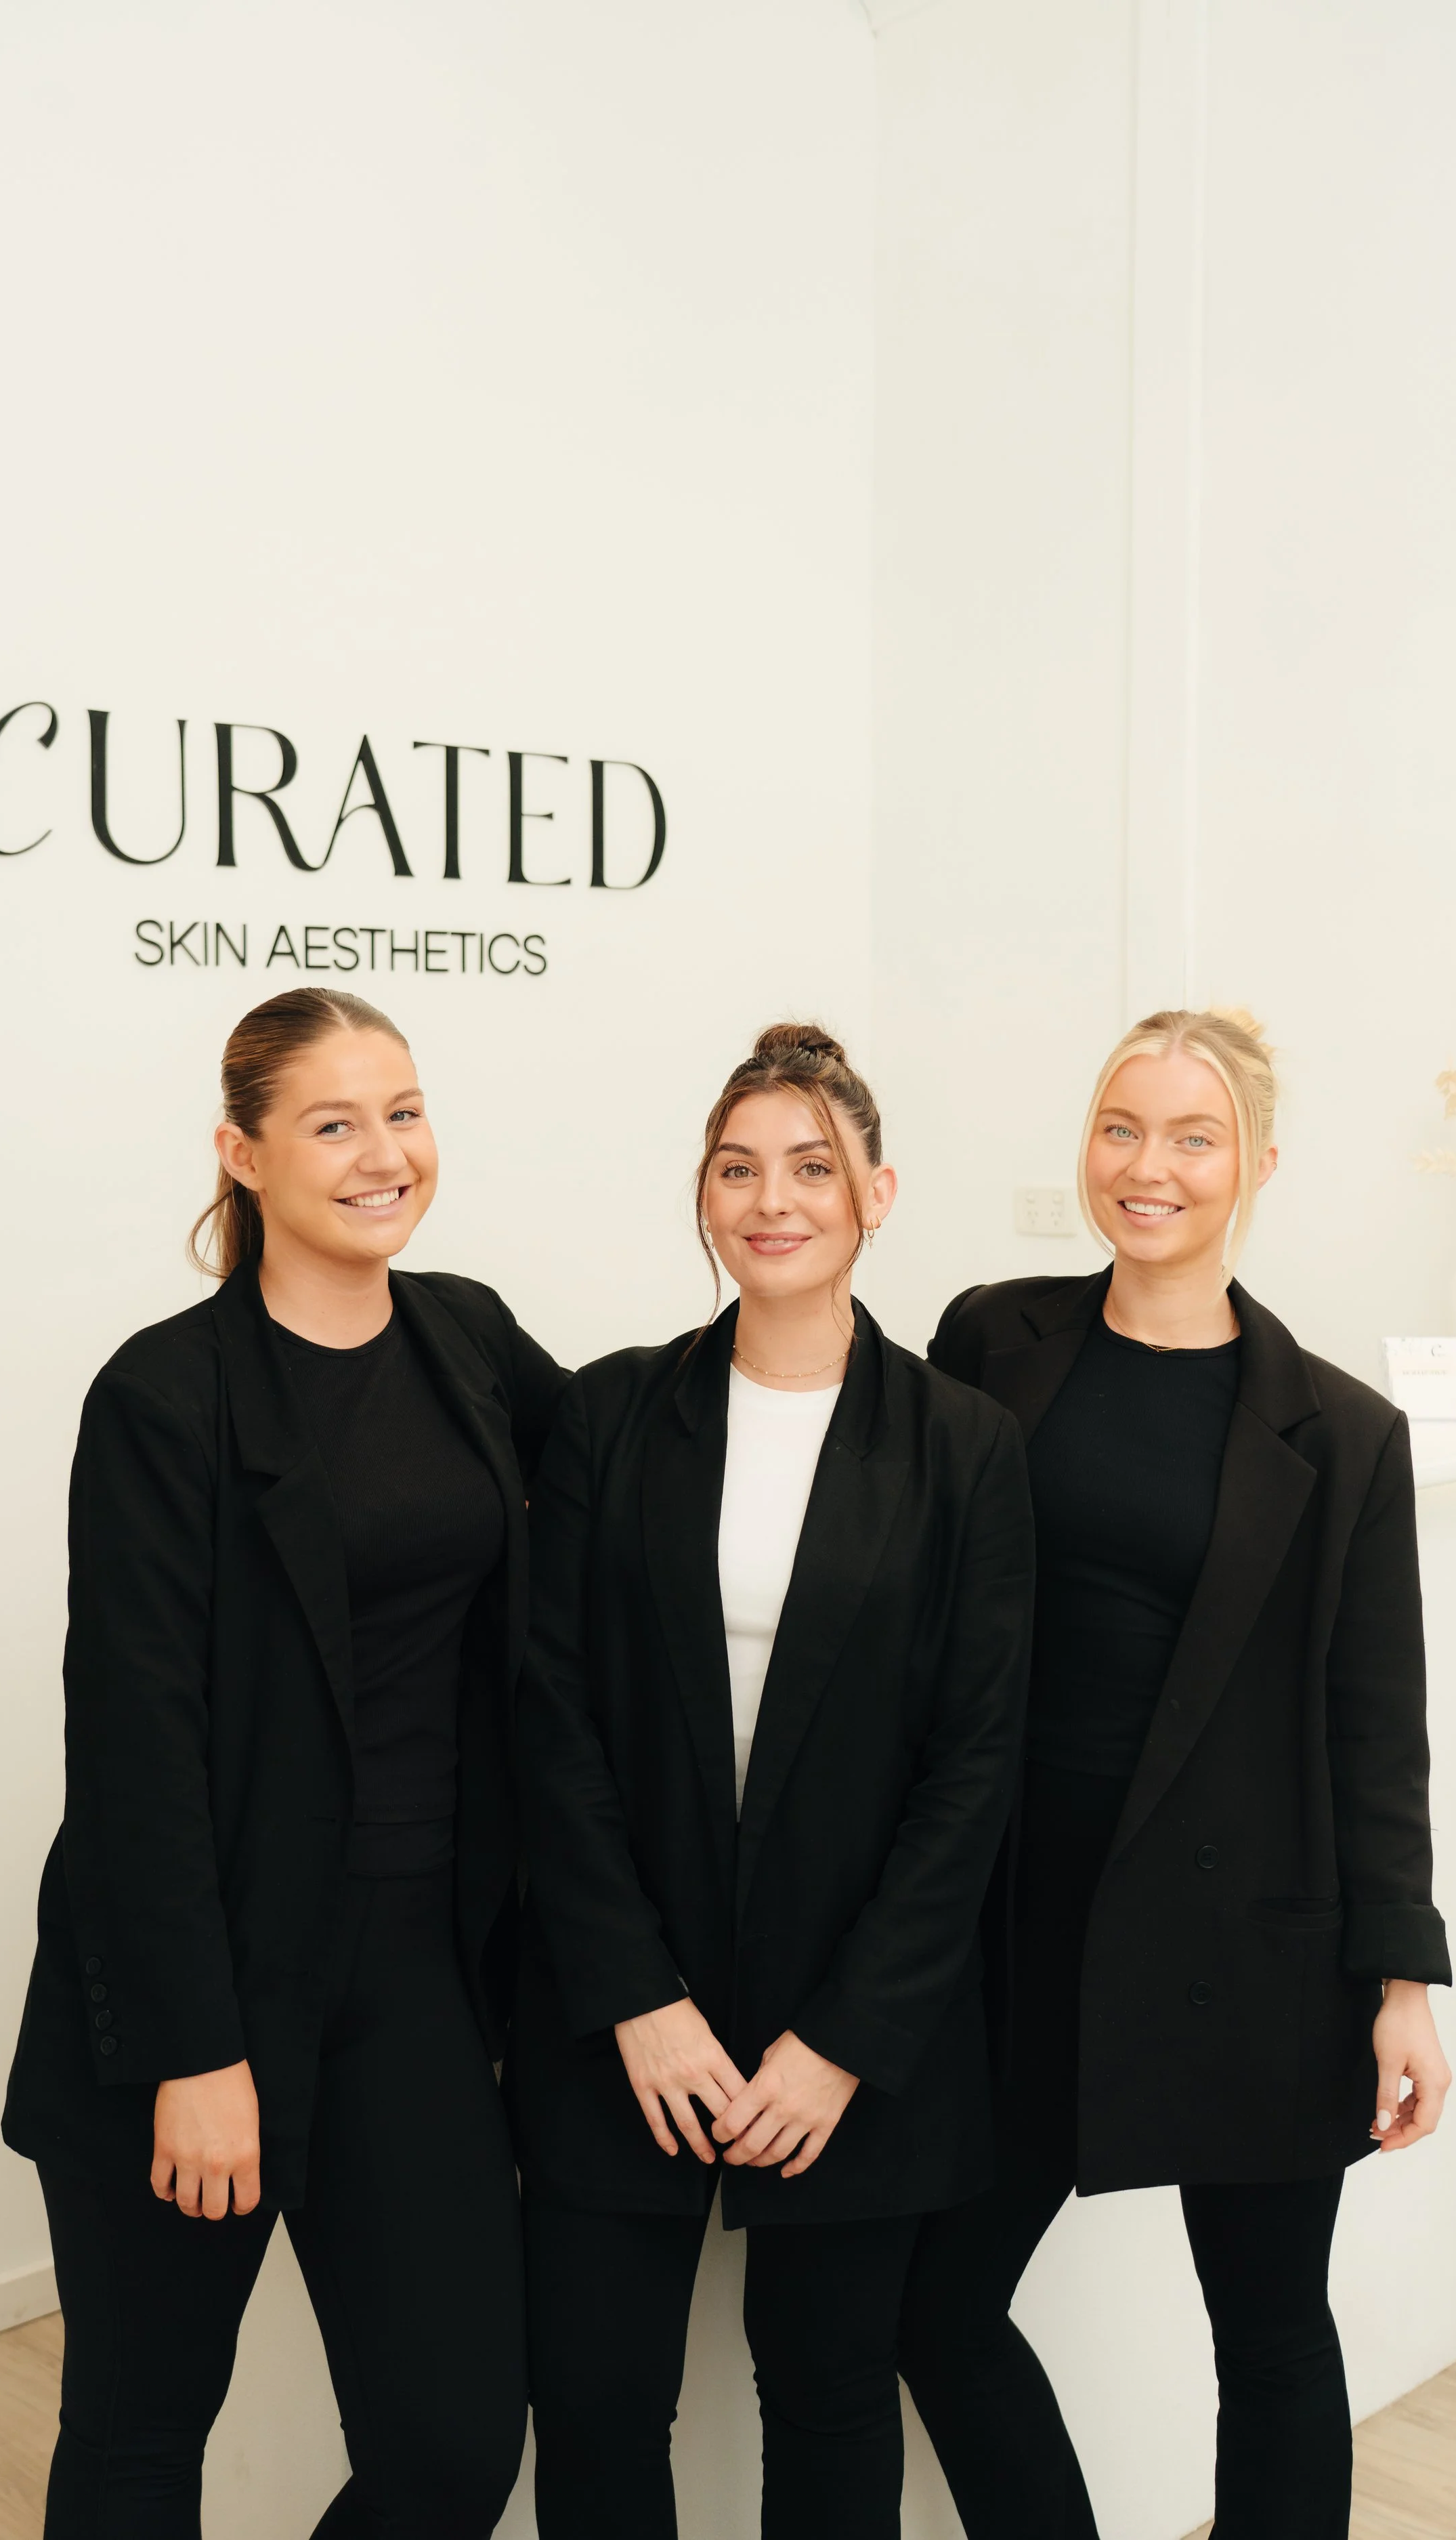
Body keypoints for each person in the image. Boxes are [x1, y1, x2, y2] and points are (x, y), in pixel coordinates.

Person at [1, 987, 566, 2539]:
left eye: (403, 1110)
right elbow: (131, 1746)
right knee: (138, 2435)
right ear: (240, 1156)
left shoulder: (466, 1334)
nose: (383, 1153)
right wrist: (196, 2053)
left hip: (412, 1980)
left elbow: (642, 1462)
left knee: (450, 2450)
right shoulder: (162, 1396)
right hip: (205, 1987)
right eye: (332, 1122)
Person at [897, 1006, 1453, 2540]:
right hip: (1012, 1935)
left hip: (1246, 1944)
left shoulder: (1340, 1431)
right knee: (931, 2308)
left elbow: (1371, 1715)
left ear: (1255, 1165)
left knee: (1268, 2338)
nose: (1148, 1168)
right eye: (1120, 1129)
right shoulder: (987, 1339)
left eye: (1189, 1137)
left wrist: (1397, 1979)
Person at [507, 1023, 1035, 2540]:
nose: (770, 1199)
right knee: (597, 2403)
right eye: (735, 1168)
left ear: (876, 1190)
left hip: (851, 2031)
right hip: (624, 2010)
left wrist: (842, 2041)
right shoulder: (611, 1415)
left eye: (809, 1167)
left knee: (825, 2396)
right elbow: (552, 1720)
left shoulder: (963, 1448)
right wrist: (634, 1995)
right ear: (701, 1193)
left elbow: (970, 1771)